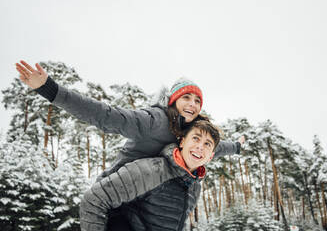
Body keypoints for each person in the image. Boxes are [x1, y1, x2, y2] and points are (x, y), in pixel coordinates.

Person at [15, 60, 245, 179]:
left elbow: (215, 147)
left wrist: (237, 146)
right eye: (186, 97)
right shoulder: (153, 120)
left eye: (197, 101)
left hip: (148, 198)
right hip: (117, 194)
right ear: (173, 100)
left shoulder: (193, 133)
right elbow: (104, 114)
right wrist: (50, 89)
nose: (193, 105)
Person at [80, 120, 220, 231]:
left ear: (211, 156)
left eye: (207, 144)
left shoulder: (194, 186)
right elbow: (94, 199)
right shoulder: (152, 170)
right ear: (182, 141)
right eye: (196, 138)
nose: (200, 147)